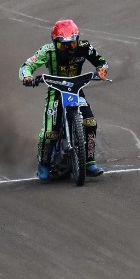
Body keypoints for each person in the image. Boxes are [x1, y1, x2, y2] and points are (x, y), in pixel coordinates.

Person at [20, 19, 108, 181]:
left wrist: (102, 71)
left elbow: (101, 62)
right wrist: (27, 77)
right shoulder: (47, 51)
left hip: (76, 91)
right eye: (63, 45)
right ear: (55, 43)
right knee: (50, 132)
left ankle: (89, 162)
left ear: (77, 40)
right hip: (55, 91)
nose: (68, 49)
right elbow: (26, 66)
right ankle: (43, 163)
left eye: (71, 44)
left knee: (91, 123)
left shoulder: (85, 47)